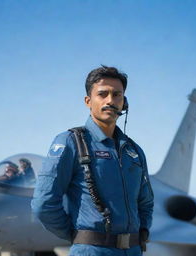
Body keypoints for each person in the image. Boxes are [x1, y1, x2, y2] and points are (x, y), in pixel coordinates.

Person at [31, 66, 154, 256]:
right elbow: (44, 203)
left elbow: (145, 203)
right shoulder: (71, 142)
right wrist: (81, 237)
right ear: (88, 101)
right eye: (102, 94)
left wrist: (141, 232)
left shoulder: (134, 151)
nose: (110, 101)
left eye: (117, 95)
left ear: (124, 102)